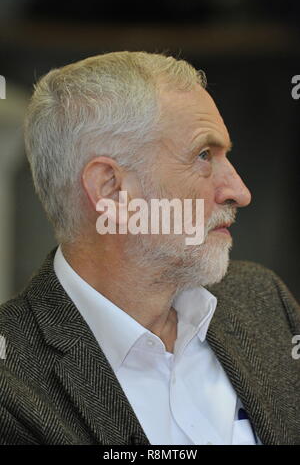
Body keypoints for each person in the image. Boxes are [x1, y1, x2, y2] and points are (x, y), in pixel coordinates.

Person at [0, 51, 299, 446]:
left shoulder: (262, 301)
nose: (239, 192)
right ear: (111, 189)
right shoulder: (13, 385)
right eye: (204, 156)